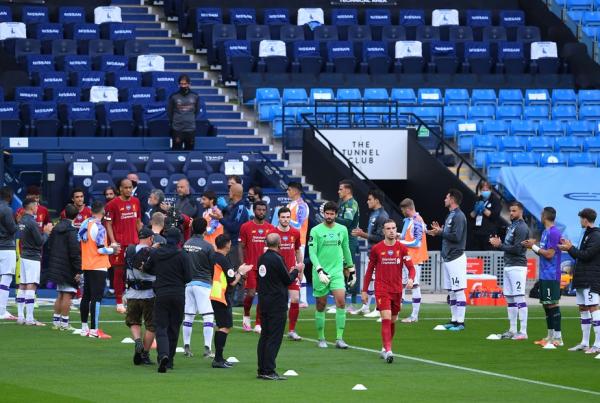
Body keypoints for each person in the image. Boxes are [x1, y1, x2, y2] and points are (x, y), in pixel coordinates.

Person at [362, 219, 415, 363]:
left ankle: (384, 347)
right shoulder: (377, 249)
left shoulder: (402, 248)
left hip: (397, 289)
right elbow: (369, 270)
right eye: (388, 228)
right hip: (382, 289)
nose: (391, 231)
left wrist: (411, 278)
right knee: (386, 317)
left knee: (393, 320)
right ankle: (389, 350)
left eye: (393, 228)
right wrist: (364, 290)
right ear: (383, 231)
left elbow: (411, 267)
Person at [144, 227, 193, 373]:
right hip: (178, 294)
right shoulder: (183, 255)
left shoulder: (157, 253)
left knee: (161, 327)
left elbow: (147, 268)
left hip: (162, 293)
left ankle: (163, 355)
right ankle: (169, 360)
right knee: (174, 327)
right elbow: (189, 277)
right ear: (179, 240)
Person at [309, 201, 355, 349]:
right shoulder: (315, 230)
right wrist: (319, 270)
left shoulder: (342, 229)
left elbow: (346, 248)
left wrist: (351, 268)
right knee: (321, 305)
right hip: (320, 272)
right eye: (327, 213)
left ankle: (339, 338)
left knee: (341, 301)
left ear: (336, 214)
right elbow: (312, 252)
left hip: (336, 272)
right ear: (324, 214)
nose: (329, 216)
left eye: (332, 214)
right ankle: (321, 338)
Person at [256, 233, 302, 380]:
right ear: (279, 243)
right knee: (274, 338)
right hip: (276, 303)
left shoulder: (262, 258)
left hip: (264, 302)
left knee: (265, 336)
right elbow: (288, 280)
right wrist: (297, 269)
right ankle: (269, 370)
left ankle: (262, 369)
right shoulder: (276, 258)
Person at [558, 208, 600, 354]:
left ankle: (598, 344)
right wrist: (569, 249)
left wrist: (571, 248)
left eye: (580, 218)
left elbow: (587, 255)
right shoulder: (587, 234)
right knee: (583, 309)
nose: (580, 221)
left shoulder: (596, 235)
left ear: (585, 219)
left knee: (593, 308)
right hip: (582, 278)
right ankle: (584, 342)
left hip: (591, 278)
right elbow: (580, 255)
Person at [427, 189, 467, 331]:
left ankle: (461, 322)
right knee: (451, 291)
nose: (444, 199)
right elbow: (448, 234)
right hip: (448, 257)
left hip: (456, 258)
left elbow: (456, 236)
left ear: (452, 199)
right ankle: (454, 320)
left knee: (459, 289)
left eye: (446, 197)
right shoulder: (451, 215)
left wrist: (441, 232)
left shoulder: (459, 216)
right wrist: (438, 232)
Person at [522, 207, 563, 347]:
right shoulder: (546, 232)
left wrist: (533, 247)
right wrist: (533, 246)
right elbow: (543, 251)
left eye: (541, 214)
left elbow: (550, 254)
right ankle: (550, 336)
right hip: (545, 273)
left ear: (545, 216)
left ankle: (558, 338)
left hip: (552, 274)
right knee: (546, 305)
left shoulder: (554, 232)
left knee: (552, 303)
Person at [210, 234, 253, 368]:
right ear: (228, 244)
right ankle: (218, 359)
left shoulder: (213, 256)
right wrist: (240, 271)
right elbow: (233, 282)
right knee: (225, 326)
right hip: (222, 296)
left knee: (221, 326)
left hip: (216, 293)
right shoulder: (223, 259)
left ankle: (219, 357)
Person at [78, 201, 120, 338]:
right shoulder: (99, 227)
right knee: (96, 298)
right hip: (98, 265)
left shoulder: (85, 223)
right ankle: (95, 330)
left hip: (87, 264)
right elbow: (101, 249)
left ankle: (84, 328)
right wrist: (113, 250)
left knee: (86, 297)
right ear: (103, 212)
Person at [490, 201, 530, 340]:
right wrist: (500, 244)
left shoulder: (522, 228)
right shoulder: (512, 226)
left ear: (520, 212)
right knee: (510, 298)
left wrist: (500, 245)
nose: (511, 213)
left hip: (517, 266)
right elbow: (509, 246)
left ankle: (523, 332)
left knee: (519, 297)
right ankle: (513, 329)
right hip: (509, 265)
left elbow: (518, 249)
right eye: (510, 211)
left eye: (514, 211)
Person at [105, 178, 143, 313]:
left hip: (134, 243)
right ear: (120, 189)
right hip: (119, 244)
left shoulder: (136, 201)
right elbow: (108, 223)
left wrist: (143, 238)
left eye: (130, 187)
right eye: (126, 187)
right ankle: (119, 302)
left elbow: (138, 221)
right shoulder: (112, 204)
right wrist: (113, 242)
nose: (129, 190)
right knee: (119, 272)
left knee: (135, 272)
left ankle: (131, 297)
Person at [182, 218, 215, 358]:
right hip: (203, 284)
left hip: (188, 284)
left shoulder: (186, 244)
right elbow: (213, 266)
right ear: (205, 229)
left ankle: (186, 346)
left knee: (188, 315)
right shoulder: (208, 246)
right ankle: (207, 348)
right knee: (208, 316)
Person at [16, 197, 53, 325]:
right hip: (32, 257)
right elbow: (40, 242)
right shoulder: (32, 222)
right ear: (32, 207)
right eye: (36, 206)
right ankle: (30, 318)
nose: (38, 208)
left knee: (23, 284)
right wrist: (47, 232)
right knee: (31, 285)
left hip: (24, 255)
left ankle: (21, 316)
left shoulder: (21, 220)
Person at [239, 200, 274, 333]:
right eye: (259, 210)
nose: (261, 212)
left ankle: (258, 323)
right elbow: (241, 247)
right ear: (254, 211)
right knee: (251, 293)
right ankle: (246, 315)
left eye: (263, 210)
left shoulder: (270, 228)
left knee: (263, 295)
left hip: (265, 268)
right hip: (251, 266)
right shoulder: (245, 227)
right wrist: (243, 265)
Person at [351, 189, 388, 316]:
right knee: (371, 280)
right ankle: (366, 307)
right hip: (372, 252)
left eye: (369, 199)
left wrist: (363, 234)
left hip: (379, 254)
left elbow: (381, 238)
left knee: (378, 281)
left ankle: (378, 309)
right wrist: (364, 234)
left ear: (376, 201)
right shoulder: (374, 214)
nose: (367, 202)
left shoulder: (383, 216)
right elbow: (373, 235)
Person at [124, 227, 156, 366]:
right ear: (150, 238)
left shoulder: (129, 250)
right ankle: (145, 354)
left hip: (132, 292)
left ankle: (137, 340)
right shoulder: (153, 252)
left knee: (134, 321)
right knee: (151, 325)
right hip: (149, 293)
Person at [47, 203, 81, 331]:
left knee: (60, 294)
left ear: (65, 214)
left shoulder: (55, 228)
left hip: (56, 264)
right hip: (68, 266)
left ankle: (56, 322)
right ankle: (65, 323)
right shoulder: (72, 231)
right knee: (68, 294)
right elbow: (74, 252)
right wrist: (78, 269)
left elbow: (49, 245)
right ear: (76, 216)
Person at [272, 207, 304, 340]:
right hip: (277, 272)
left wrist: (300, 268)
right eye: (283, 217)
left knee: (295, 298)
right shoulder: (272, 233)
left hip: (291, 271)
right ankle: (274, 328)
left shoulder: (295, 233)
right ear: (278, 218)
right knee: (279, 302)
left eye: (287, 217)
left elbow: (297, 250)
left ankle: (291, 330)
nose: (285, 220)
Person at [399, 198, 428, 323]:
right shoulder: (410, 220)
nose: (402, 212)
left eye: (403, 210)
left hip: (415, 259)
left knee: (414, 286)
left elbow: (417, 243)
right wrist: (398, 236)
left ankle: (414, 316)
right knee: (401, 284)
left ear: (408, 209)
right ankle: (395, 311)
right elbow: (407, 237)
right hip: (407, 257)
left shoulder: (417, 221)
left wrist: (399, 242)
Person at [336, 180, 360, 310]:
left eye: (340, 189)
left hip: (349, 240)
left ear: (347, 190)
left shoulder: (351, 203)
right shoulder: (343, 203)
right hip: (343, 239)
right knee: (342, 270)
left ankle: (354, 303)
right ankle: (342, 303)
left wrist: (332, 217)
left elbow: (347, 222)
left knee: (349, 270)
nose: (338, 191)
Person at [286, 181, 310, 307]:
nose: (287, 192)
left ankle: (303, 300)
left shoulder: (302, 206)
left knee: (298, 267)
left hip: (299, 241)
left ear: (296, 191)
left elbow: (298, 225)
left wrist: (285, 220)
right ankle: (295, 299)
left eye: (289, 189)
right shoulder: (290, 204)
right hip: (289, 240)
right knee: (292, 267)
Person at [168, 74, 200, 150]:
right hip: (177, 129)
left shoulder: (195, 96)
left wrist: (189, 119)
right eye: (181, 84)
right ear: (179, 84)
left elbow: (197, 111)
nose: (183, 86)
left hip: (190, 129)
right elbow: (169, 112)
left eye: (185, 84)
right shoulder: (173, 96)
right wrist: (176, 121)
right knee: (176, 152)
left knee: (190, 152)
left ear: (189, 84)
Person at [0, 186, 18, 320]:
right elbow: (12, 229)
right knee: (6, 279)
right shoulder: (7, 209)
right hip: (6, 247)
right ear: (10, 196)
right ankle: (1, 311)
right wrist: (18, 221)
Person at [470, 181, 501, 251]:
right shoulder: (477, 199)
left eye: (487, 190)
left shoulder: (495, 200)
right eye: (483, 190)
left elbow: (494, 215)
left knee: (488, 256)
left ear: (490, 190)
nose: (485, 192)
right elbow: (471, 215)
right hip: (477, 233)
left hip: (489, 233)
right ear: (480, 191)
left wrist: (483, 209)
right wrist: (475, 210)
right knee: (477, 256)